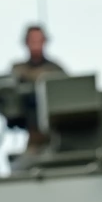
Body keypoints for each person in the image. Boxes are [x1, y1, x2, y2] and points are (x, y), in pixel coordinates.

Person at [10, 23, 67, 153]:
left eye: (39, 40)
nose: (36, 44)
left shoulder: (55, 70)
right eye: (32, 40)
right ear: (26, 43)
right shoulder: (18, 70)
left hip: (57, 132)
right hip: (33, 132)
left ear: (44, 42)